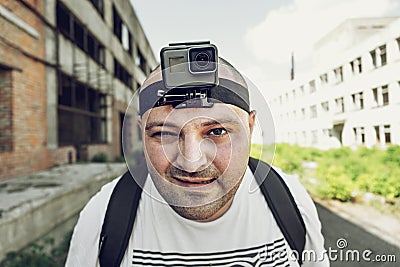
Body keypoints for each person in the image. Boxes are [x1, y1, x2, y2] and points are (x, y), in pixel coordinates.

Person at [66, 43, 329, 267]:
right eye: (164, 134)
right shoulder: (104, 215)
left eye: (217, 131)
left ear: (250, 129)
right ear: (141, 135)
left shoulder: (291, 201)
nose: (191, 161)